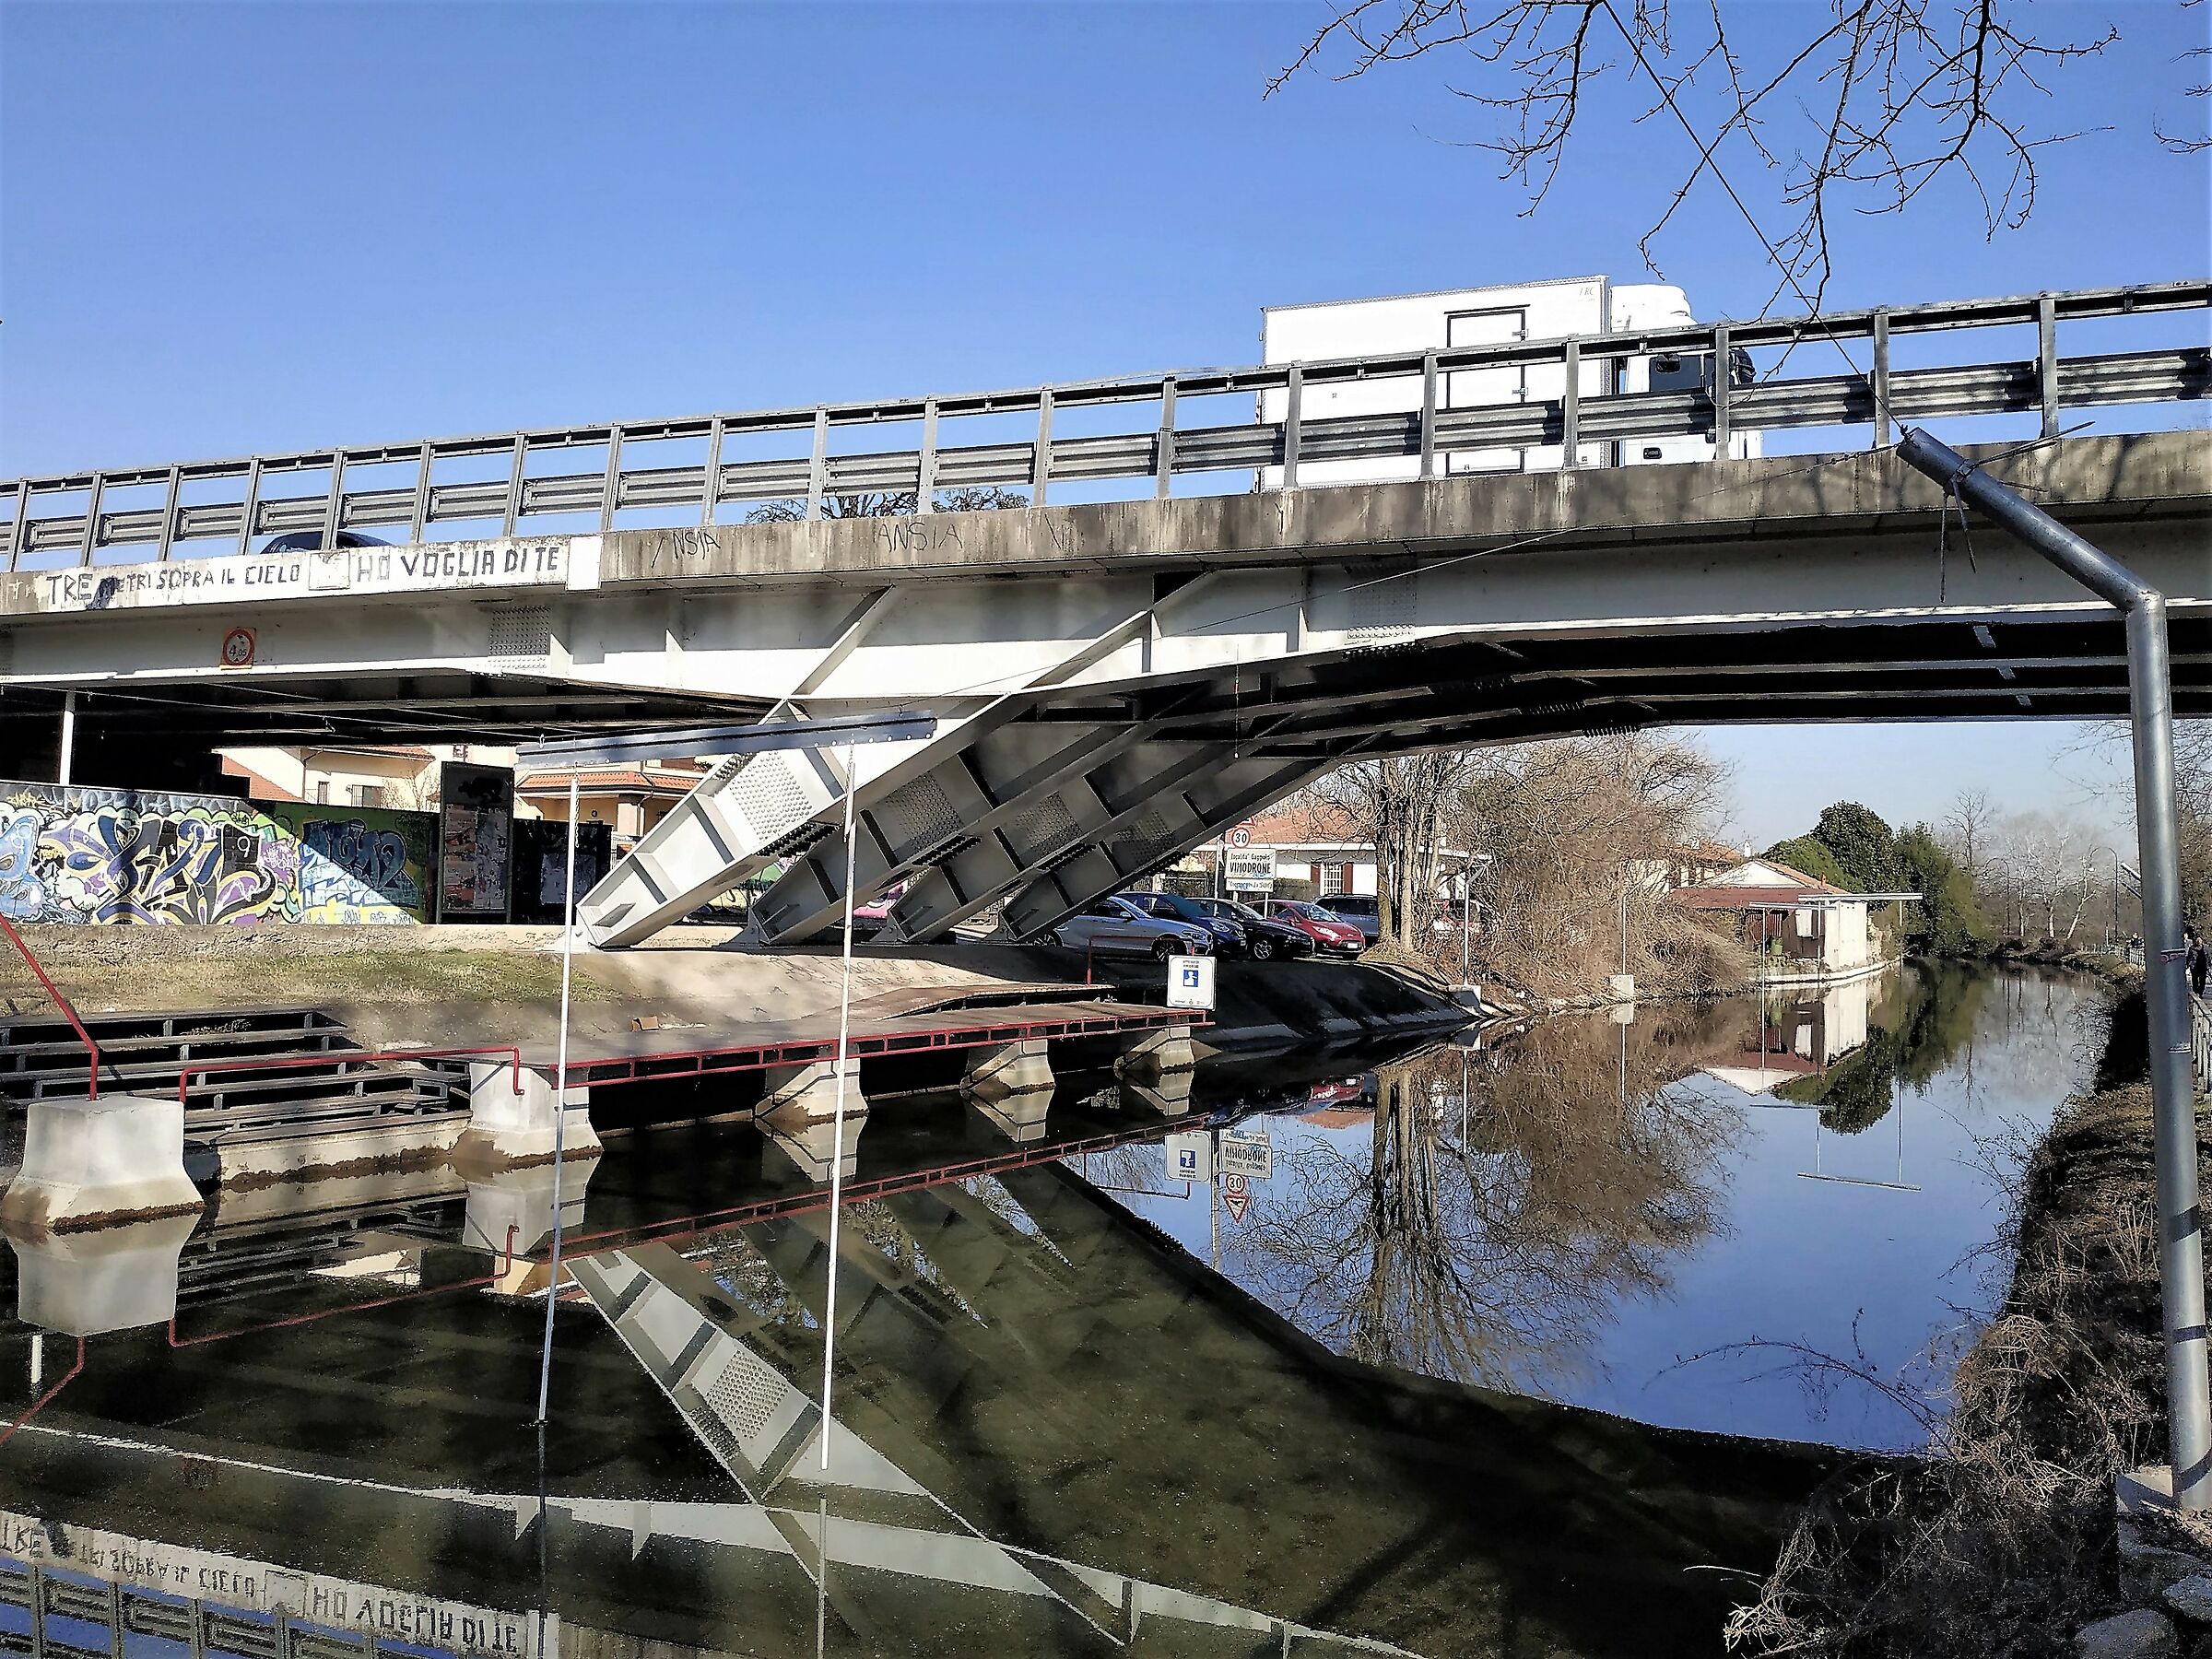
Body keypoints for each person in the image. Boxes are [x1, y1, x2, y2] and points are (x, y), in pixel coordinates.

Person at [2188, 924, 2208, 999]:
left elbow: (2208, 956)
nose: (2199, 941)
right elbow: (2189, 957)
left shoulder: (2205, 948)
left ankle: (2200, 992)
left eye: (2200, 940)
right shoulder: (2192, 948)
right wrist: (2188, 965)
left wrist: (2209, 965)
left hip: (2203, 966)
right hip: (2194, 967)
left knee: (2202, 981)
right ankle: (2196, 992)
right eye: (2197, 940)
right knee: (2195, 980)